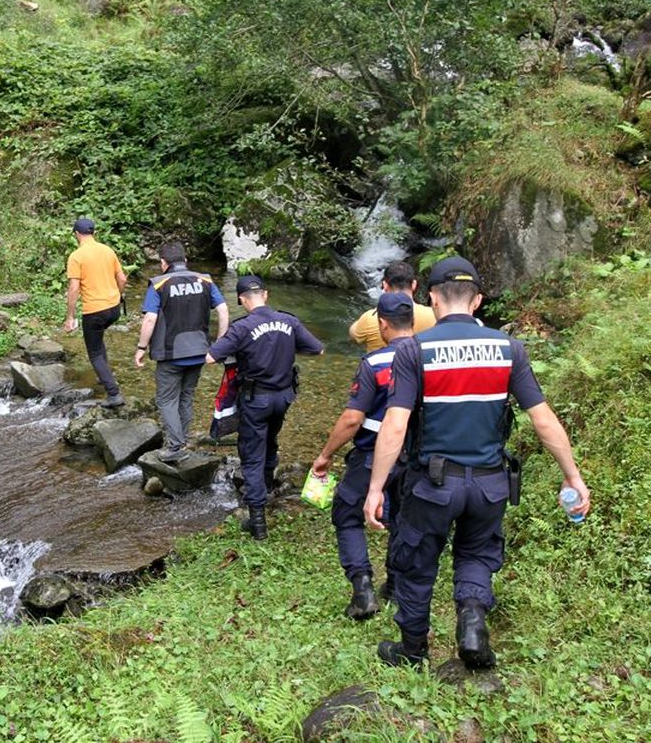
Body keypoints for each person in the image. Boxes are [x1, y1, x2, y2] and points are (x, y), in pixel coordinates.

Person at [363, 256, 591, 670]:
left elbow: (395, 426)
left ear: (430, 299)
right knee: (476, 554)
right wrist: (572, 475)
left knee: (416, 562)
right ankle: (471, 624)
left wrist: (376, 488)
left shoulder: (415, 350)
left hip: (432, 485)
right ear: (478, 300)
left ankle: (412, 650)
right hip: (489, 484)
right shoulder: (510, 348)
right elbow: (543, 419)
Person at [311, 292, 417, 620]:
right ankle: (397, 584)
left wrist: (326, 455)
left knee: (347, 513)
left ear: (383, 325)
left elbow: (352, 419)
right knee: (402, 517)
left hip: (373, 454)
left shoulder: (375, 363)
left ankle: (362, 587)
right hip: (416, 457)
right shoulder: (428, 357)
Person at [206, 275, 324, 540]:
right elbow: (317, 350)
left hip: (255, 400)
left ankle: (257, 521)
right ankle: (268, 487)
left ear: (241, 300)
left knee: (251, 452)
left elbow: (212, 357)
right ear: (266, 295)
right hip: (283, 398)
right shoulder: (289, 321)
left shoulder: (242, 327)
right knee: (271, 439)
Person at [134, 241, 230, 463]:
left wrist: (141, 348)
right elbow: (223, 310)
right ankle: (182, 440)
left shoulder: (159, 284)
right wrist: (220, 343)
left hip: (170, 354)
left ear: (163, 263)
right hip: (199, 352)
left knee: (167, 400)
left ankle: (176, 446)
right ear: (185, 261)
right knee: (186, 397)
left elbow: (150, 318)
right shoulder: (205, 280)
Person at [63, 218, 128, 408]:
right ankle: (104, 375)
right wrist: (118, 294)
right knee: (98, 342)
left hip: (94, 311)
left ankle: (114, 394)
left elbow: (74, 289)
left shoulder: (76, 256)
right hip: (114, 308)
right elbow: (122, 278)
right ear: (93, 233)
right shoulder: (108, 250)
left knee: (95, 353)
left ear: (76, 234)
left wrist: (70, 316)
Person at [349, 261, 435, 352]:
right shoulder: (433, 316)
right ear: (414, 284)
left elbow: (353, 335)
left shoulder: (369, 318)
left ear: (385, 285)